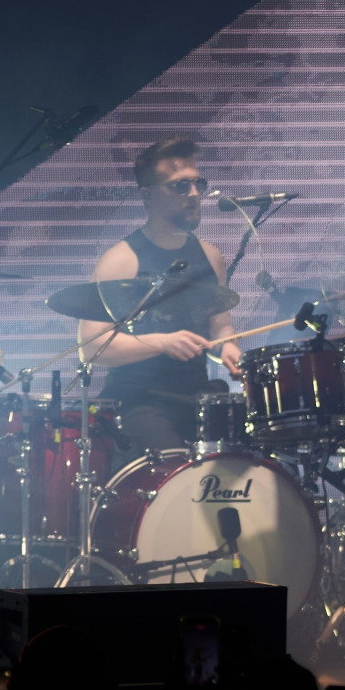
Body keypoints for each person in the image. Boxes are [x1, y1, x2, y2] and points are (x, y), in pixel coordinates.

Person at [78, 135, 244, 454]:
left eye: (199, 184)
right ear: (148, 196)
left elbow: (219, 325)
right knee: (175, 476)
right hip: (140, 402)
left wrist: (229, 348)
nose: (195, 194)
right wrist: (162, 342)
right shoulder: (121, 260)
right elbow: (92, 347)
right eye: (181, 186)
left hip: (199, 399)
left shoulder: (211, 257)